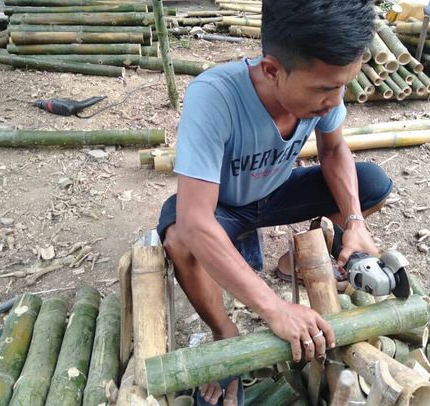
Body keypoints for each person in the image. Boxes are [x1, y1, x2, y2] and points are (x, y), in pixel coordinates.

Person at [156, 0, 392, 404]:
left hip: (276, 192)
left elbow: (333, 149)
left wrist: (355, 221)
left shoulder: (324, 88)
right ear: (271, 70)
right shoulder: (214, 96)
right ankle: (224, 331)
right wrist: (273, 309)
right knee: (180, 236)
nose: (336, 100)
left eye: (343, 85)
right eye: (325, 89)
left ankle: (293, 262)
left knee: (372, 183)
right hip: (224, 205)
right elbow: (196, 221)